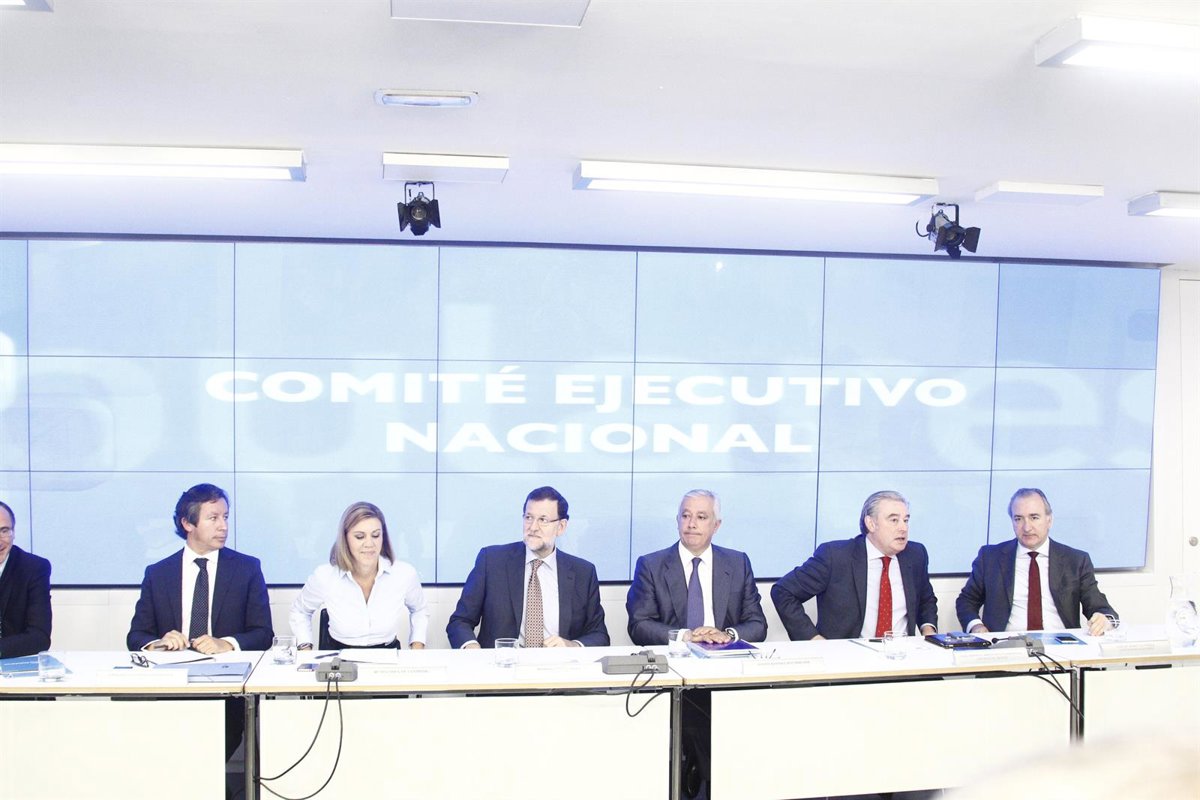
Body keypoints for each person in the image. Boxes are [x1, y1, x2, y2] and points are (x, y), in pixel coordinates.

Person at [126, 483, 273, 762]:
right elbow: (136, 636)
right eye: (213, 518)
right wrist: (157, 643)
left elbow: (263, 633)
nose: (223, 526)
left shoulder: (247, 568)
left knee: (209, 755)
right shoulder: (159, 573)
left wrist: (226, 643)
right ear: (187, 523)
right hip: (172, 690)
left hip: (227, 692)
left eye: (225, 517)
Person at [446, 486, 609, 648]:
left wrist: (571, 646)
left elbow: (599, 635)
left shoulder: (583, 573)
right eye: (529, 517)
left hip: (558, 663)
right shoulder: (492, 561)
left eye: (543, 520)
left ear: (561, 527)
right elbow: (460, 622)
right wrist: (472, 648)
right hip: (503, 662)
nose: (533, 527)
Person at [772, 490, 938, 640]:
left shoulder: (915, 555)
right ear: (871, 523)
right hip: (847, 657)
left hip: (901, 654)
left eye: (906, 520)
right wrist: (813, 639)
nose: (903, 528)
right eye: (894, 520)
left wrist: (929, 631)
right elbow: (783, 591)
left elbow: (925, 599)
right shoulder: (835, 556)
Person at [956, 488, 1116, 636]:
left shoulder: (1075, 560)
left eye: (1034, 517)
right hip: (1006, 647)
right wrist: (976, 626)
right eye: (1018, 519)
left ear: (1049, 520)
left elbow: (1101, 608)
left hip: (1062, 648)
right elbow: (966, 601)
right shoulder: (990, 557)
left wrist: (1104, 620)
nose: (1027, 527)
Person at [626, 489, 767, 646]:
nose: (691, 524)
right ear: (677, 520)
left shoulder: (738, 563)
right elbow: (639, 625)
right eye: (685, 516)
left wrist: (726, 635)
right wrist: (685, 636)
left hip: (725, 654)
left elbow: (757, 624)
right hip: (675, 655)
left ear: (716, 525)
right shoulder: (651, 566)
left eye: (701, 517)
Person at [290, 501, 428, 650]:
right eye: (360, 537)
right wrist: (305, 648)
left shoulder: (404, 573)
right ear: (345, 539)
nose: (369, 544)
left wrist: (417, 646)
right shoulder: (325, 576)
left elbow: (419, 609)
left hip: (387, 654)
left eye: (375, 535)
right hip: (338, 654)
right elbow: (300, 611)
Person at [0, 500, 53, 659]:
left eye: (4, 531)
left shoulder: (34, 568)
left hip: (13, 663)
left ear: (13, 532)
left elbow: (40, 637)